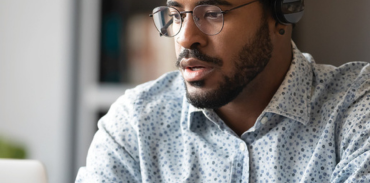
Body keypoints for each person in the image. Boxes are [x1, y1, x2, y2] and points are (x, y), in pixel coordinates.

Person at [76, 0, 370, 182]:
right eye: (176, 14)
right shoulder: (135, 123)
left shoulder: (354, 110)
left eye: (213, 12)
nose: (185, 38)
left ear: (283, 11)